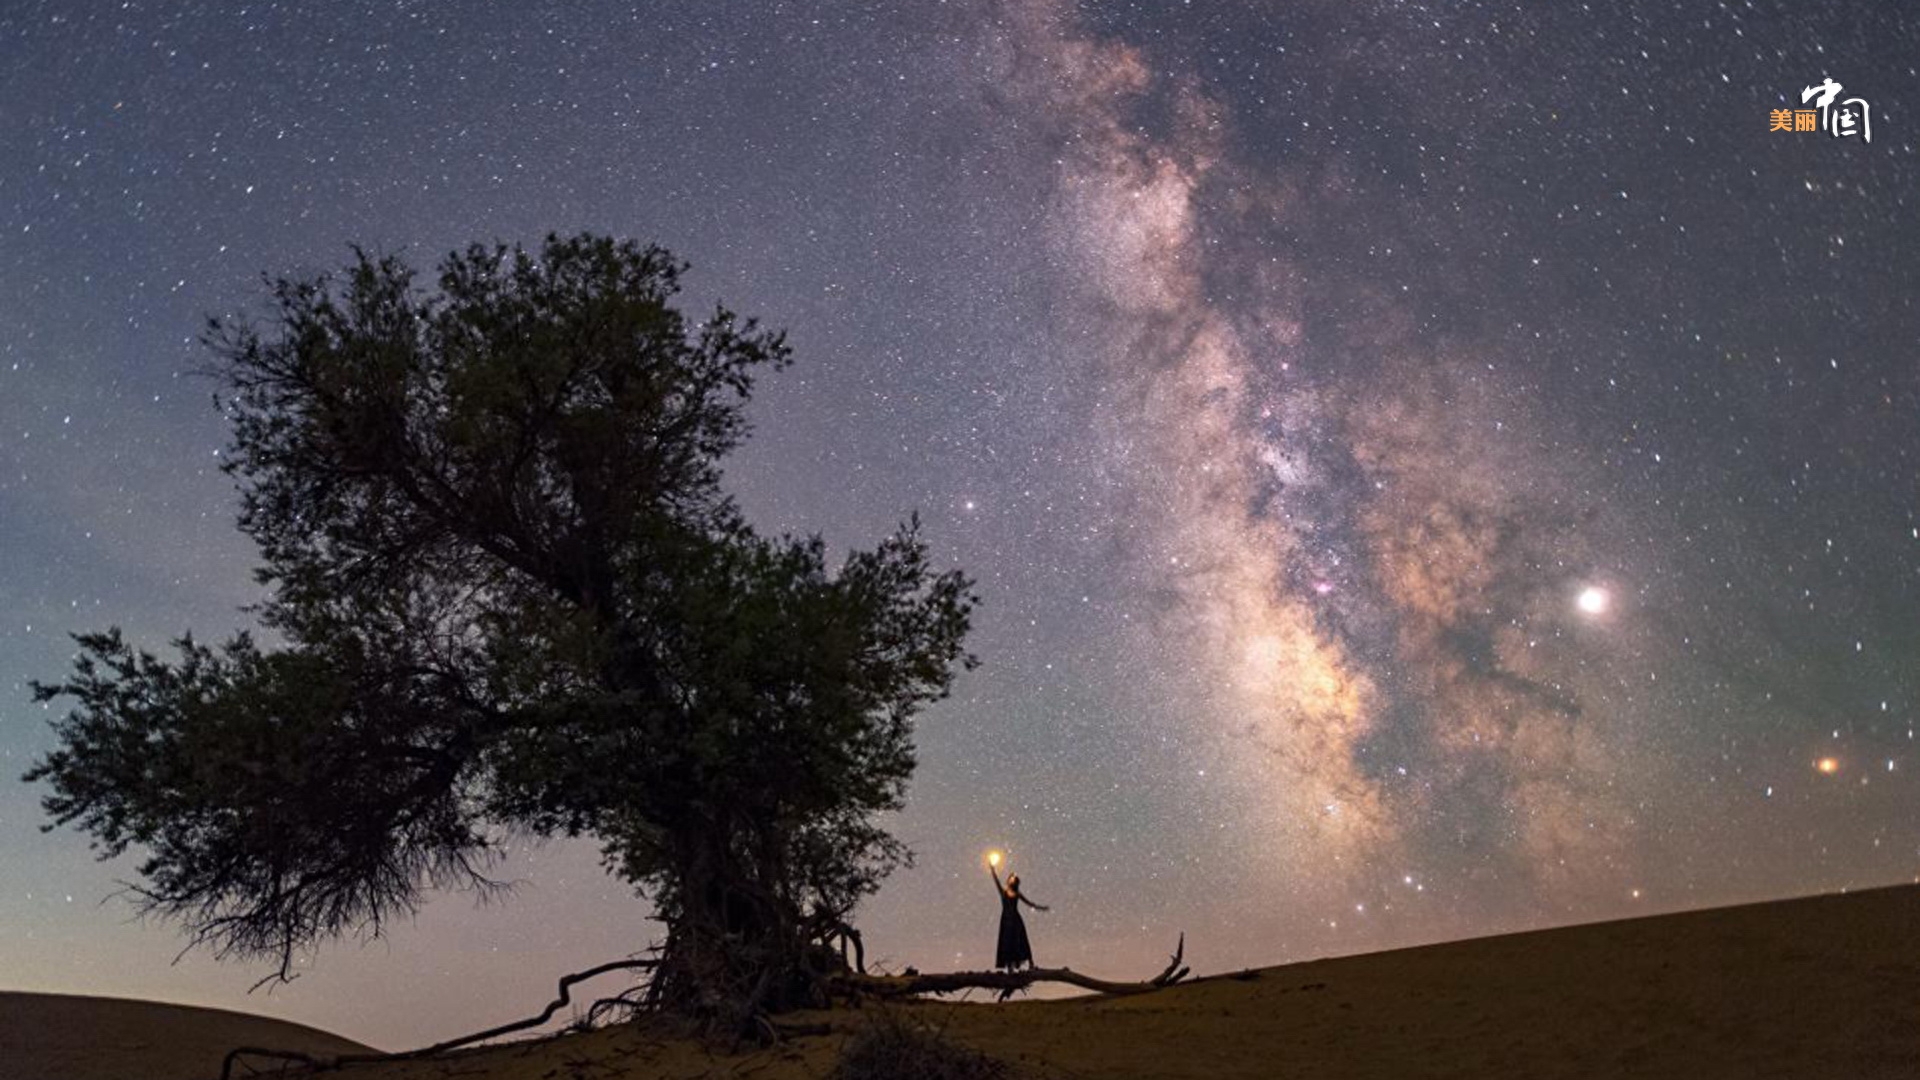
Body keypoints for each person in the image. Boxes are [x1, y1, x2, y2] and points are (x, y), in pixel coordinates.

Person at [990, 862, 1048, 972]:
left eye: (1013, 878)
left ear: (1015, 882)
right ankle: (1010, 967)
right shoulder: (1004, 892)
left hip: (1016, 919)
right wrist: (993, 870)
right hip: (1006, 920)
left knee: (1022, 940)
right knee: (1007, 942)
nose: (1011, 878)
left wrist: (1040, 908)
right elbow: (996, 882)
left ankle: (1031, 964)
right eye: (1011, 877)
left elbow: (1029, 903)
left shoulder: (1017, 893)